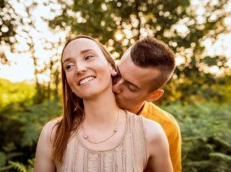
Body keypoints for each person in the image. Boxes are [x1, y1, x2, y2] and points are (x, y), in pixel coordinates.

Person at [34, 35, 173, 172]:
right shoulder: (52, 134)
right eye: (69, 66)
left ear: (111, 66)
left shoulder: (152, 133)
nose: (80, 68)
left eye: (88, 57)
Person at [112, 37, 181, 172]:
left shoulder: (167, 128)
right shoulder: (86, 106)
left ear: (153, 96)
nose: (115, 87)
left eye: (131, 87)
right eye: (117, 74)